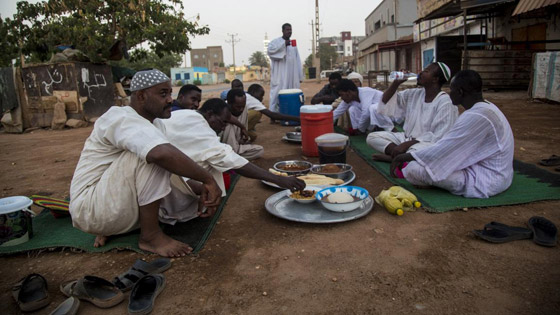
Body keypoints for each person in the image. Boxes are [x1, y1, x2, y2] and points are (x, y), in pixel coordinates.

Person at [69, 69, 222, 257]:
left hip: (115, 209)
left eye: (170, 93)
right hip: (91, 207)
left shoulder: (155, 124)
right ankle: (150, 236)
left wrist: (200, 189)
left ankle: (117, 228)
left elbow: (170, 170)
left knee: (175, 174)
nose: (170, 100)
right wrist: (208, 179)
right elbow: (160, 155)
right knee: (154, 155)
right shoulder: (119, 117)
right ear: (141, 96)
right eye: (163, 94)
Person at [160, 99, 306, 223]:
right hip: (159, 182)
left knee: (212, 167)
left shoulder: (187, 114)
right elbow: (230, 160)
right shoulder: (199, 126)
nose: (223, 127)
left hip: (163, 169)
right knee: (214, 165)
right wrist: (278, 179)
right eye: (222, 122)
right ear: (210, 114)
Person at [391, 70, 514, 198]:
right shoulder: (487, 107)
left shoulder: (476, 115)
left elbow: (445, 149)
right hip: (493, 170)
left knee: (413, 169)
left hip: (487, 179)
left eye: (451, 89)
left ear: (460, 92)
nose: (449, 93)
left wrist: (405, 157)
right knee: (426, 161)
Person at [367, 62, 458, 162]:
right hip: (406, 138)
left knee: (422, 150)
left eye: (426, 71)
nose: (421, 73)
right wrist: (396, 83)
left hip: (426, 143)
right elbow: (385, 101)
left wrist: (409, 144)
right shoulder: (415, 93)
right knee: (372, 137)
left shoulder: (445, 102)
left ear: (435, 79)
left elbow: (439, 136)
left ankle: (399, 158)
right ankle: (401, 157)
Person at [267, 23, 303, 112]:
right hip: (280, 76)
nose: (289, 32)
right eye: (287, 30)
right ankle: (274, 114)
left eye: (290, 30)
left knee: (292, 93)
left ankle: (290, 113)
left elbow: (297, 60)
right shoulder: (275, 42)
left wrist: (299, 75)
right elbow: (270, 51)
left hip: (292, 76)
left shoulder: (293, 45)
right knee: (276, 94)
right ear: (282, 31)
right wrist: (284, 45)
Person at [221, 89, 264, 160]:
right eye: (238, 107)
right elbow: (228, 117)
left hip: (236, 148)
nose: (241, 109)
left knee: (260, 150)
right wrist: (242, 127)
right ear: (229, 103)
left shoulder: (244, 110)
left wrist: (242, 140)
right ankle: (231, 157)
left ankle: (232, 158)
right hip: (224, 148)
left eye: (242, 106)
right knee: (228, 125)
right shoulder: (222, 110)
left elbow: (243, 136)